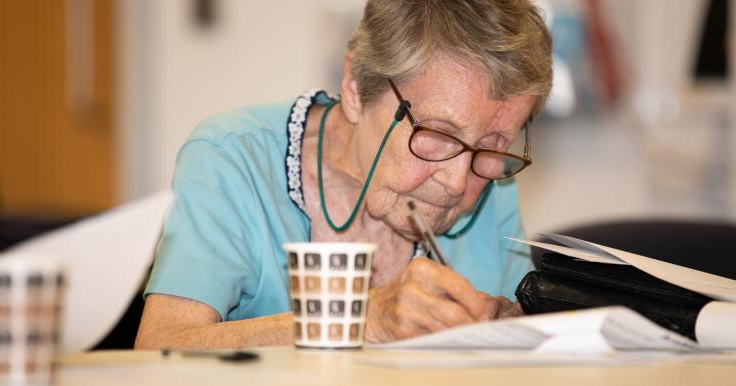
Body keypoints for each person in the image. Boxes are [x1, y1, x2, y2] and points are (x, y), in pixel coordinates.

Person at [135, 0, 552, 349]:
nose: (459, 182)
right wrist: (357, 319)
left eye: (495, 143)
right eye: (439, 134)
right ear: (354, 88)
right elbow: (159, 348)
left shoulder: (494, 183)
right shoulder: (232, 158)